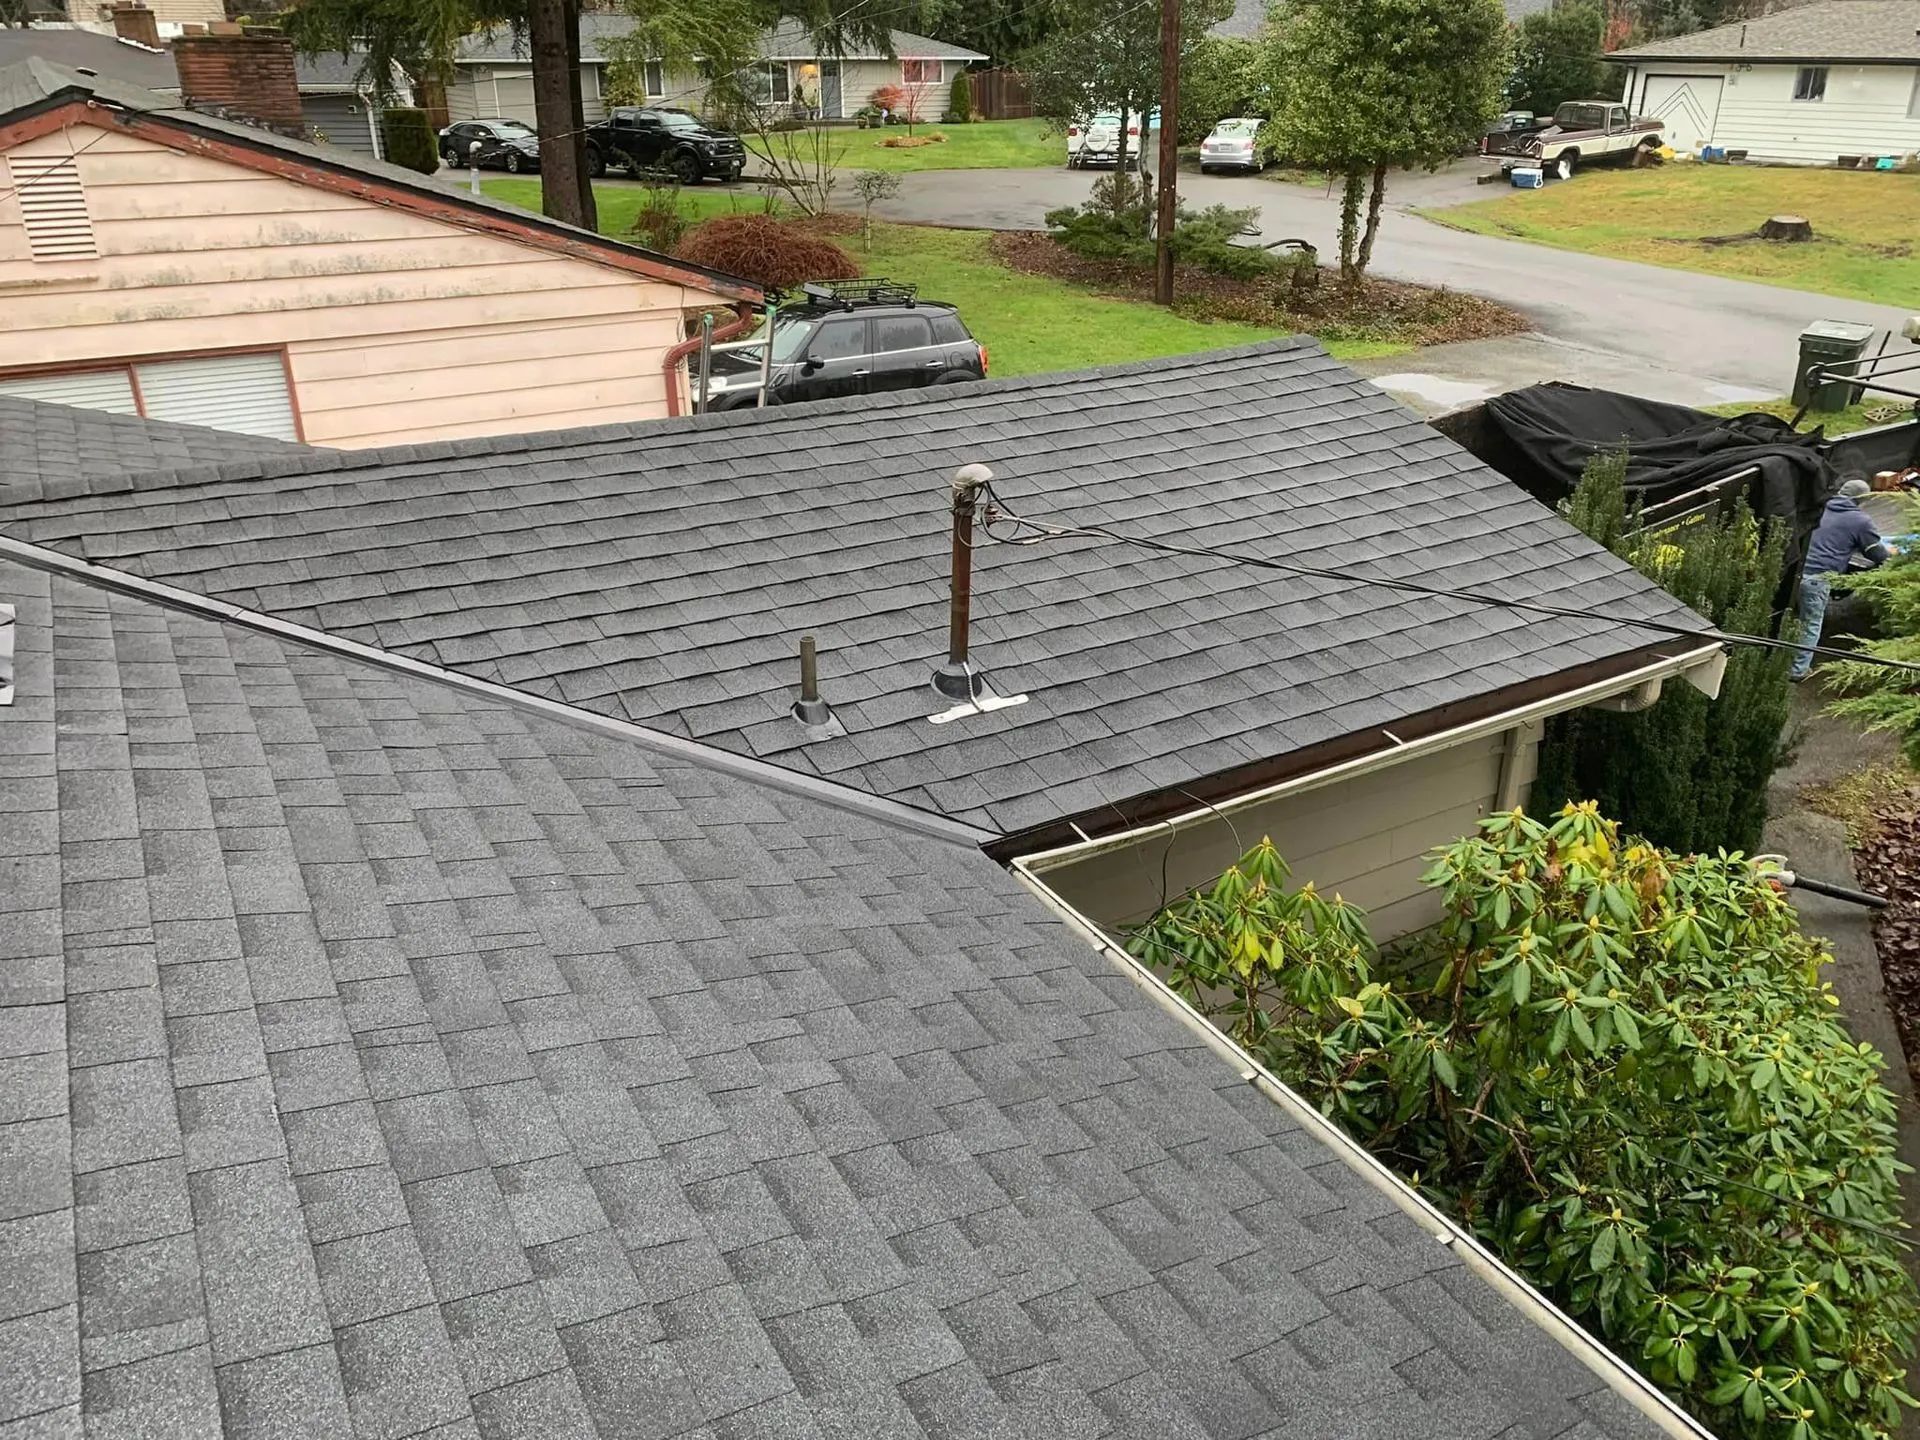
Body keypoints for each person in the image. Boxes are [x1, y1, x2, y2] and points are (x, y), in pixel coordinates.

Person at [1789, 477, 1891, 682]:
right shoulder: (1860, 520)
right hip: (1817, 578)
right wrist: (1893, 554)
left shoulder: (1820, 507)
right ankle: (1798, 670)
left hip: (1793, 572)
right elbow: (1877, 555)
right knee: (1811, 624)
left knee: (1791, 616)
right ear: (1862, 499)